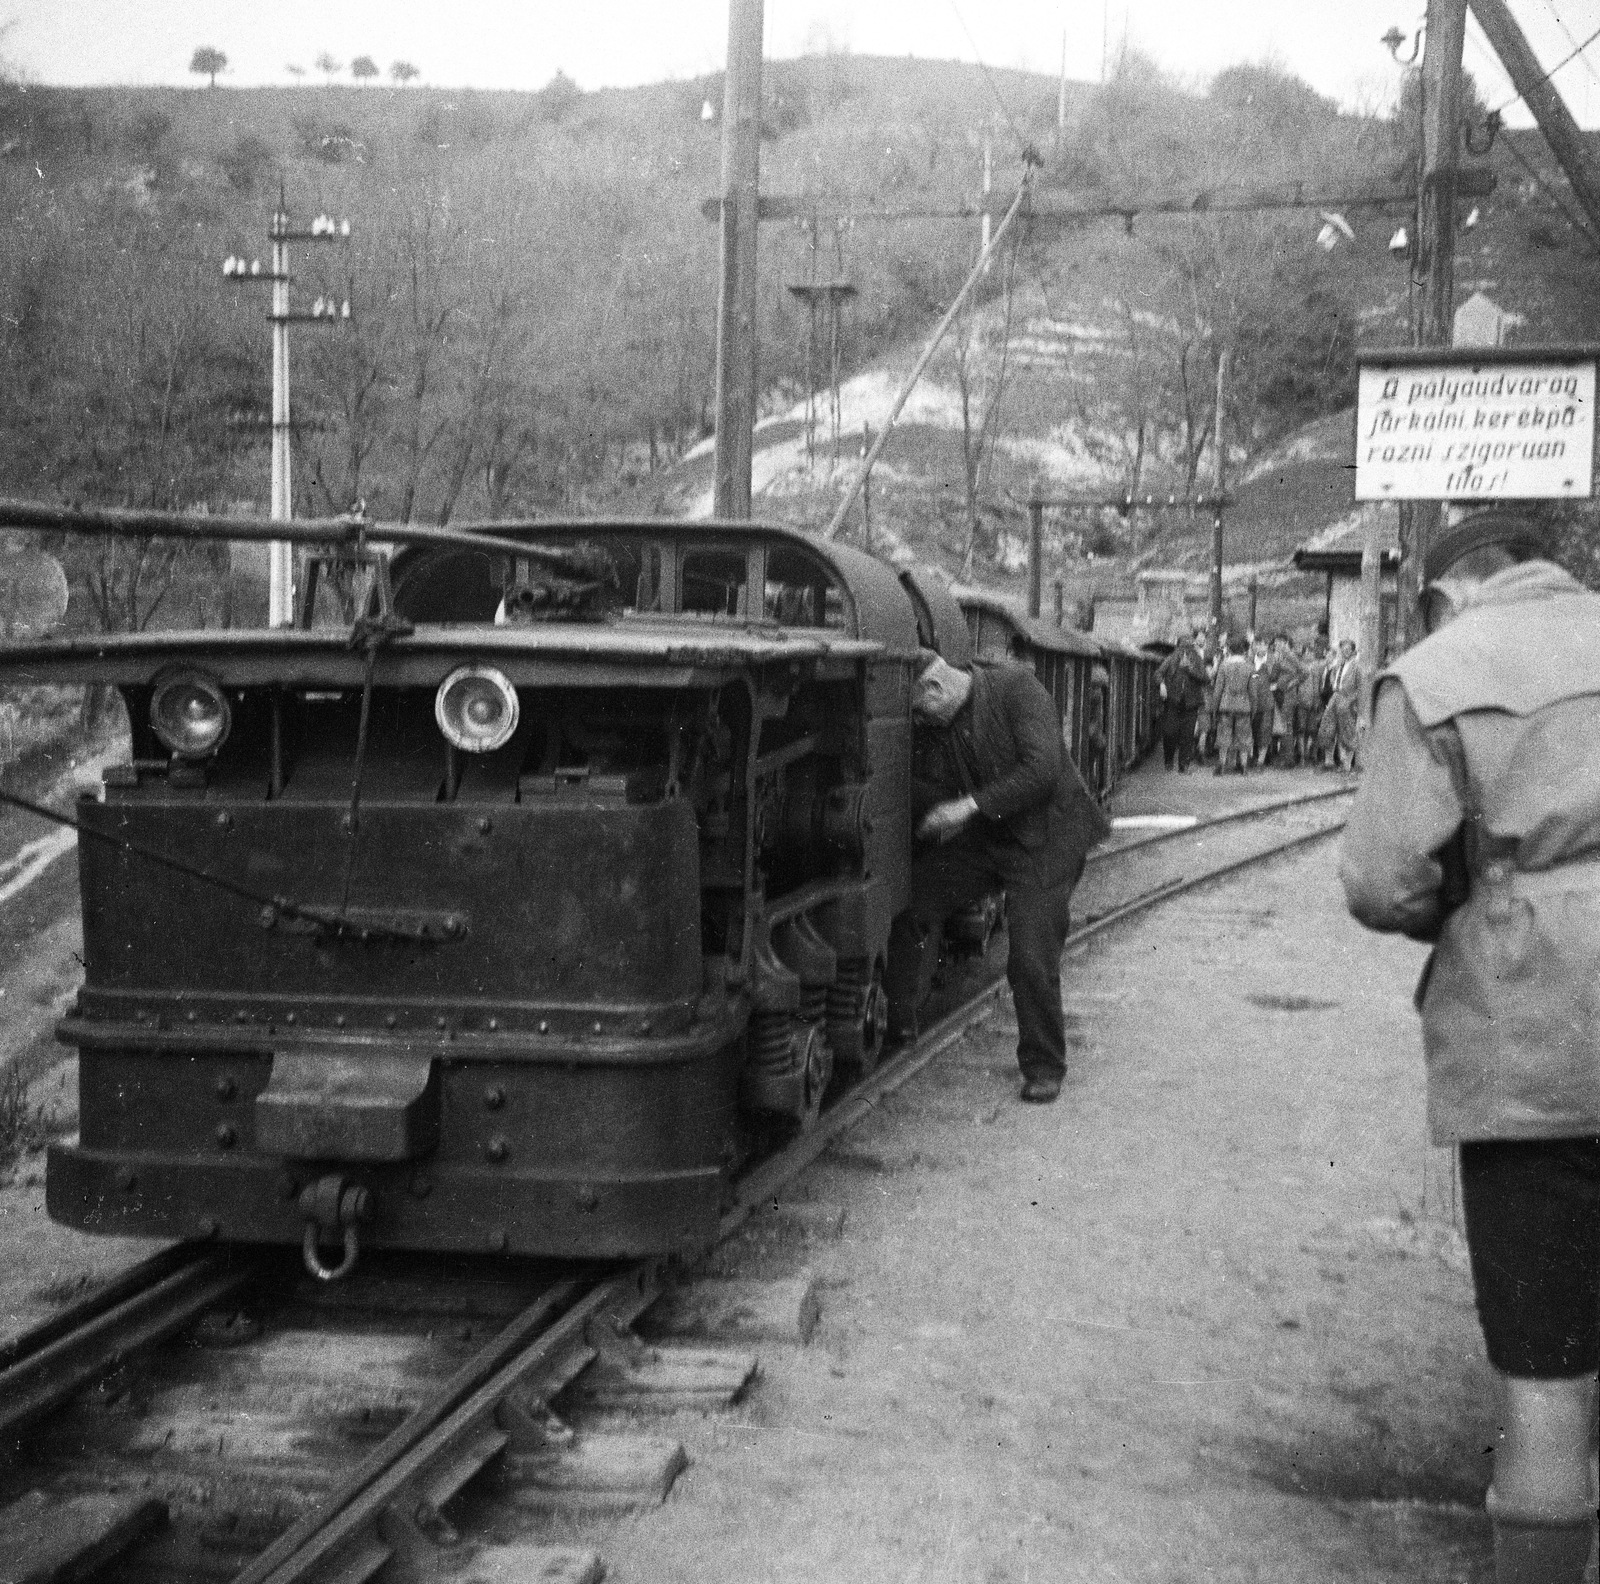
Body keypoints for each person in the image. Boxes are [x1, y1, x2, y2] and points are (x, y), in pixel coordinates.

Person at [1340, 511, 1600, 1584]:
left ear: (1448, 592)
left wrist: (1472, 898)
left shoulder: (1438, 671)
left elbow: (1378, 878)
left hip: (1530, 1040)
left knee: (1543, 1371)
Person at [886, 649, 1109, 1103]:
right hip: (994, 835)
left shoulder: (1016, 689)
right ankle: (896, 1026)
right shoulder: (942, 723)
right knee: (914, 901)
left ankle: (1045, 1065)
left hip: (1048, 839)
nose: (919, 720)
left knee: (1030, 957)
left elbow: (1042, 770)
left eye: (918, 708)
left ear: (936, 688)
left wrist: (966, 808)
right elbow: (940, 786)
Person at [1156, 632, 1208, 772]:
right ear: (1178, 647)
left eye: (1188, 647)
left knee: (1187, 735)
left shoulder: (1197, 660)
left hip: (1191, 703)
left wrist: (1190, 670)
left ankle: (1183, 765)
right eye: (1183, 647)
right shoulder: (1171, 658)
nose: (1185, 651)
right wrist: (1161, 684)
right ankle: (1168, 761)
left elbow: (1205, 678)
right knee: (1169, 733)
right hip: (1173, 701)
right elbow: (1158, 673)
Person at [1210, 634, 1254, 775]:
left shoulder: (1223, 666)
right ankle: (1244, 766)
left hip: (1226, 705)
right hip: (1244, 706)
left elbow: (1218, 690)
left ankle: (1221, 766)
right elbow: (1253, 691)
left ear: (1229, 649)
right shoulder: (1250, 667)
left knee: (1223, 735)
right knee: (1244, 736)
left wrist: (1214, 709)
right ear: (1243, 650)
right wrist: (1253, 708)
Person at [1319, 638, 1362, 770]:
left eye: (1348, 649)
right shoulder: (1338, 665)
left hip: (1348, 699)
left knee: (1348, 731)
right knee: (1327, 727)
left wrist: (1350, 701)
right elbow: (1333, 677)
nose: (1345, 652)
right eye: (1343, 649)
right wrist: (1335, 688)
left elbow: (1360, 688)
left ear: (1352, 651)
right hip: (1335, 697)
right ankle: (1329, 761)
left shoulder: (1357, 667)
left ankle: (1347, 765)